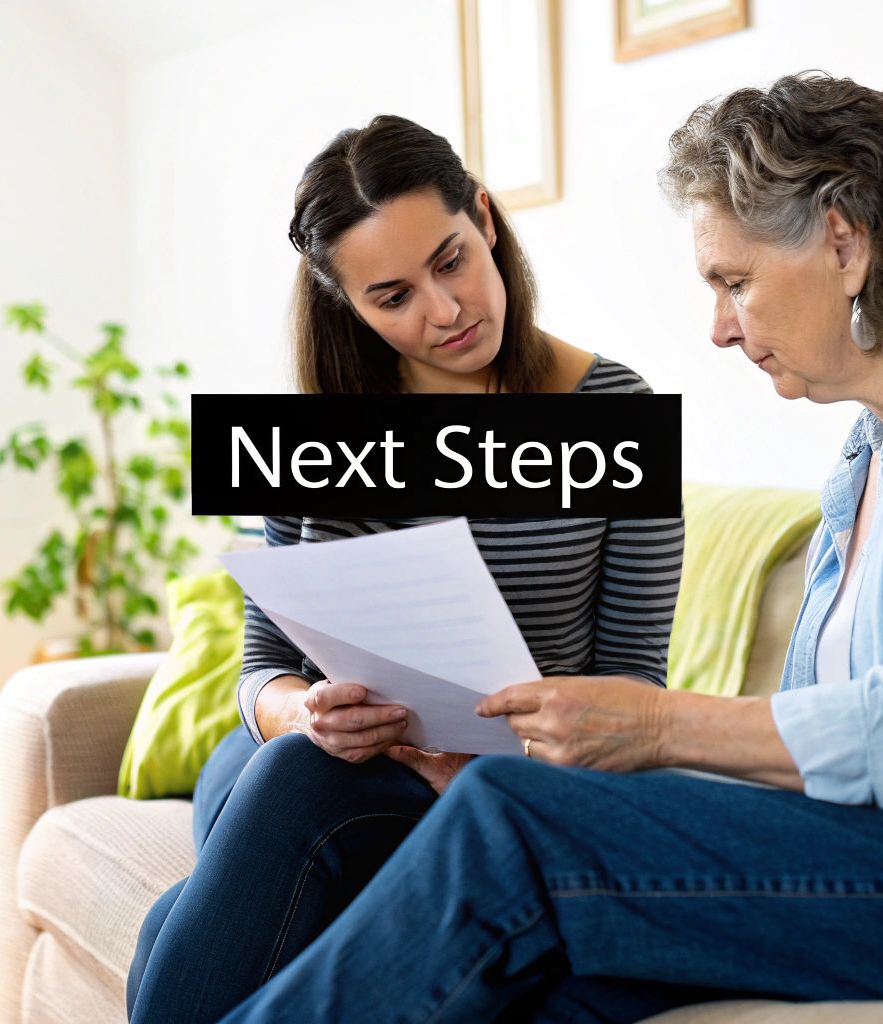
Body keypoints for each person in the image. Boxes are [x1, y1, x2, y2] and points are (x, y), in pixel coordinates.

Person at [213, 72, 883, 1023]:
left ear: (841, 241)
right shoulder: (874, 460)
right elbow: (838, 764)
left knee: (514, 822)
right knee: (545, 975)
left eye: (733, 281)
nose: (719, 327)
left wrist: (659, 729)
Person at [123, 114, 685, 1024]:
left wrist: (491, 758)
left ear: (486, 220)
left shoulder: (615, 412)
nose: (446, 310)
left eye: (452, 261)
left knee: (173, 922)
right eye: (393, 296)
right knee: (291, 769)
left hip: (509, 776)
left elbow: (633, 676)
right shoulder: (320, 428)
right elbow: (261, 668)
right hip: (333, 757)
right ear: (351, 306)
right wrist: (300, 710)